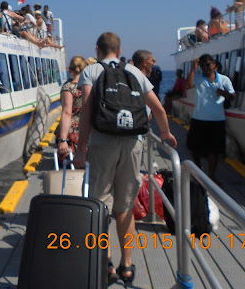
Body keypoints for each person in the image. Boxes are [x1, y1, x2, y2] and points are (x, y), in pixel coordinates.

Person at [74, 32, 177, 286]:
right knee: (126, 207)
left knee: (101, 206)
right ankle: (127, 265)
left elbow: (87, 110)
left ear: (98, 49)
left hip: (101, 144)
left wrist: (81, 146)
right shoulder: (135, 72)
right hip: (133, 144)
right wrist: (165, 133)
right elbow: (158, 108)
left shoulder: (91, 72)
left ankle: (107, 263)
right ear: (119, 51)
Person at [185, 54, 235, 183]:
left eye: (208, 64)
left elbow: (232, 96)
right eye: (203, 65)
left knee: (213, 150)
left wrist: (223, 93)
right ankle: (198, 169)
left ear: (214, 64)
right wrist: (193, 68)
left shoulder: (224, 79)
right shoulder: (198, 78)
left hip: (216, 119)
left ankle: (212, 176)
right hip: (198, 118)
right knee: (193, 148)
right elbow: (188, 85)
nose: (206, 68)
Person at [56, 56, 87, 160]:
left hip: (72, 132)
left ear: (69, 69)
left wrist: (63, 140)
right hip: (87, 131)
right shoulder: (90, 86)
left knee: (69, 165)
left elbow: (67, 113)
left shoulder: (68, 88)